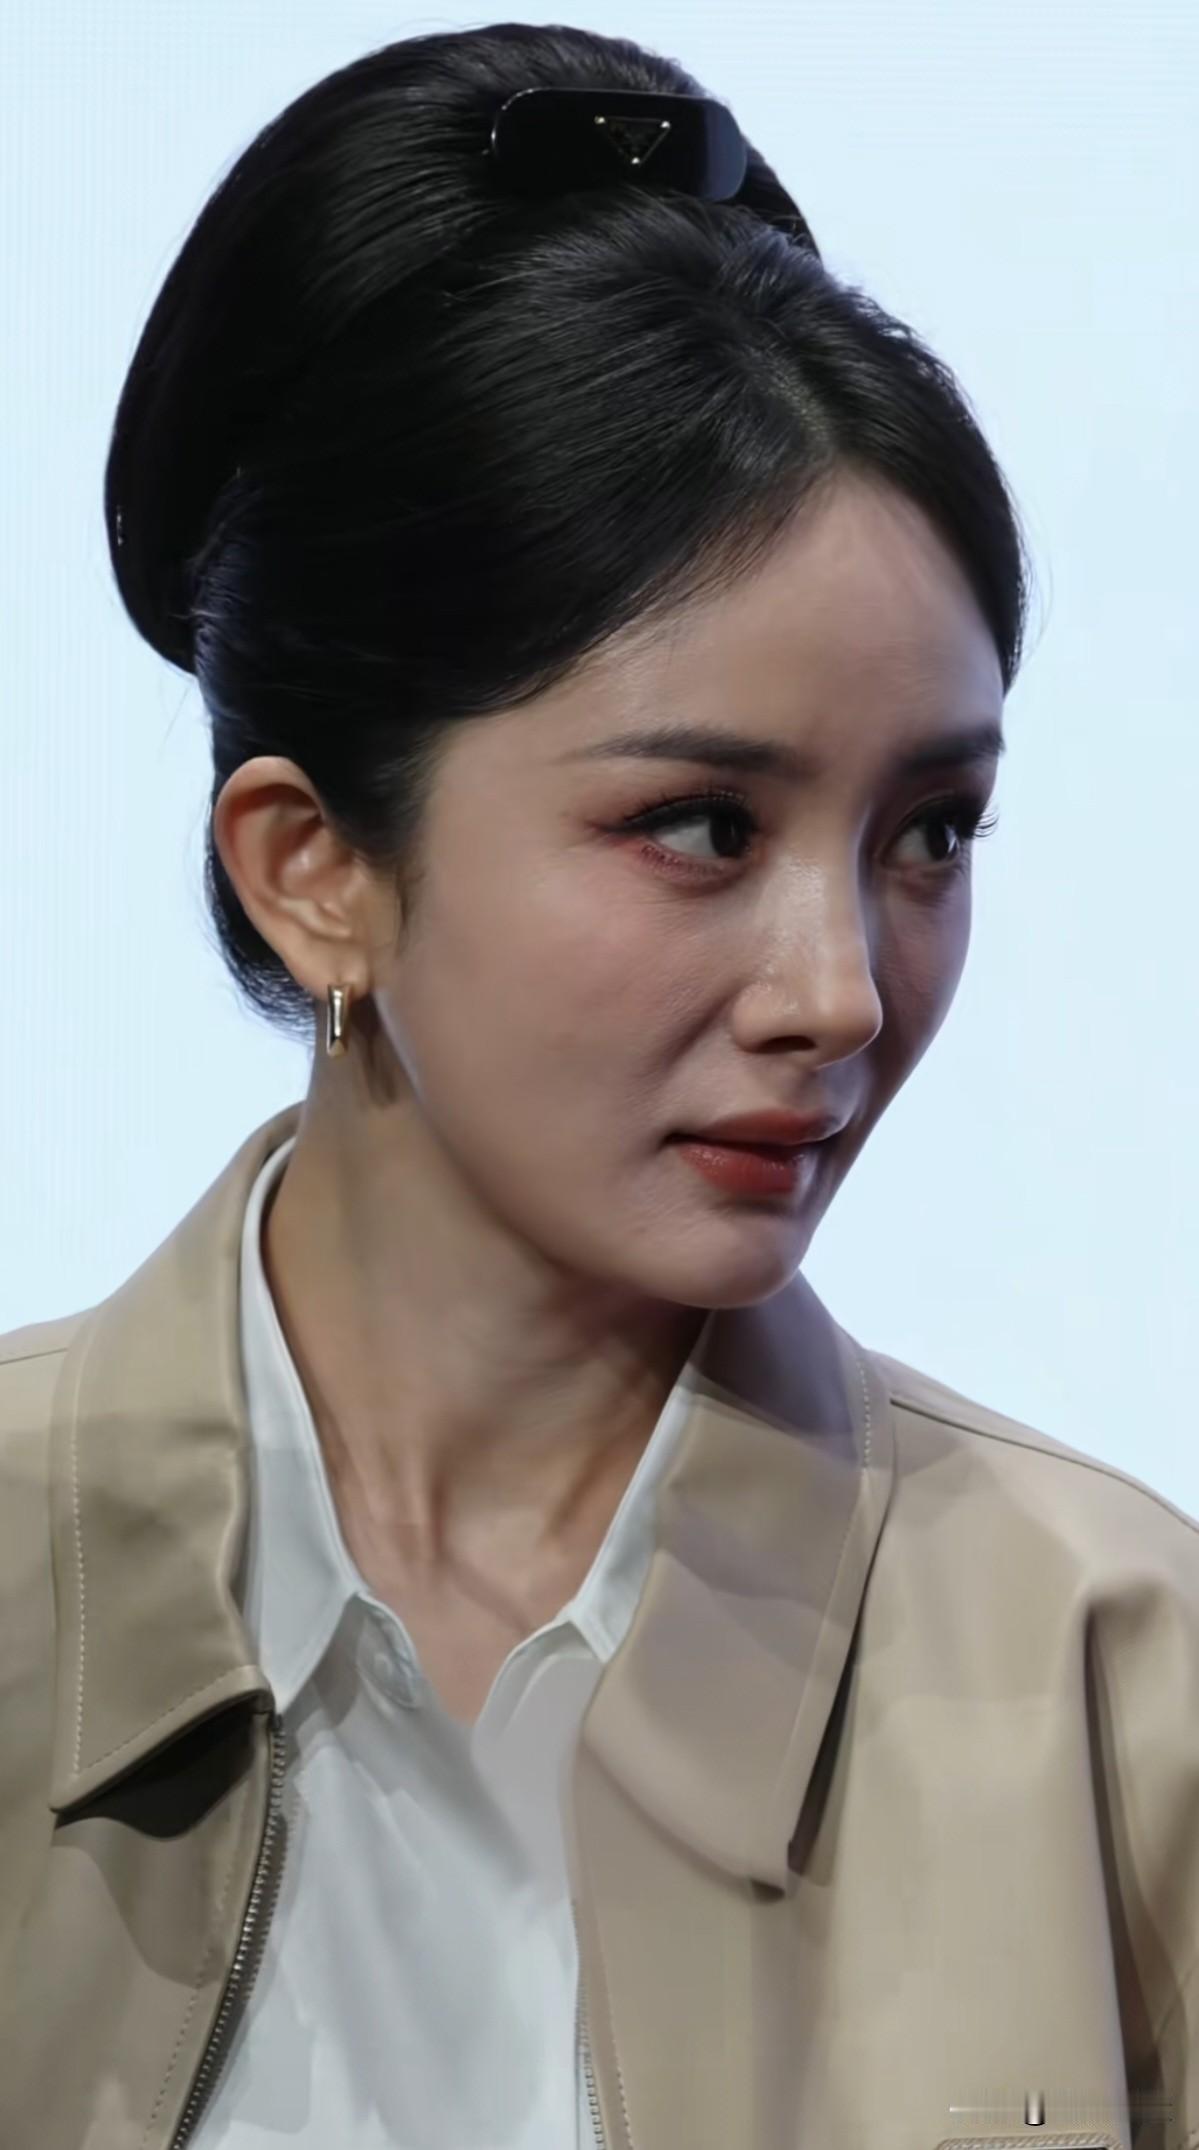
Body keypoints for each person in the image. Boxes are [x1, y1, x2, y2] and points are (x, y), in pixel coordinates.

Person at [1, 23, 1195, 2150]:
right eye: (701, 828)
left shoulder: (1122, 1682)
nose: (843, 990)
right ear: (315, 868)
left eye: (929, 831)